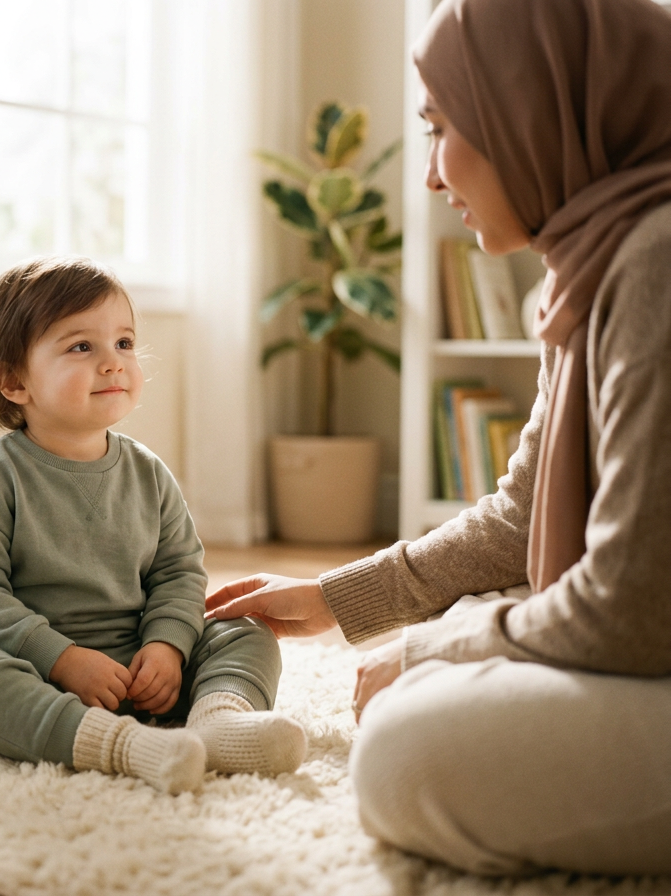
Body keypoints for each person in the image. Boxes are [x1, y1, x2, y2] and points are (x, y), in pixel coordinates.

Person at [206, 0, 671, 876]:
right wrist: (339, 599)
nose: (428, 176)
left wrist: (425, 647)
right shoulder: (598, 261)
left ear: (531, 114)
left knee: (406, 752)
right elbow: (520, 519)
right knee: (454, 640)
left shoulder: (657, 261)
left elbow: (630, 613)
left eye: (442, 129)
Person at [0, 256, 307, 795]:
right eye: (82, 347)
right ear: (14, 382)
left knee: (246, 629)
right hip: (39, 671)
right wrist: (61, 659)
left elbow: (179, 571)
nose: (113, 363)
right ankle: (118, 745)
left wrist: (169, 646)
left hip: (145, 663)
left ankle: (218, 722)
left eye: (124, 343)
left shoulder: (148, 472)